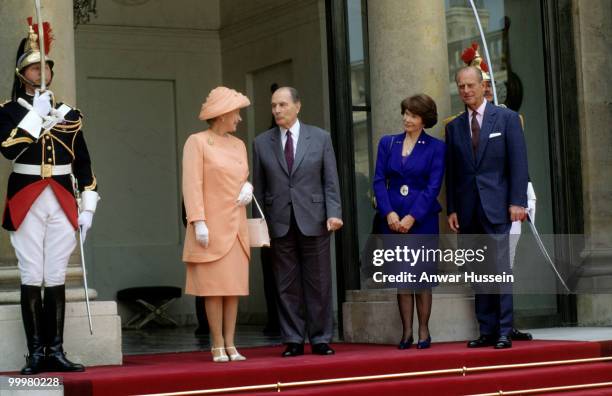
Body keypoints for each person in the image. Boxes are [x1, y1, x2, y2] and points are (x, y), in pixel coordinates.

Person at [0, 20, 99, 374]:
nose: (42, 71)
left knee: (55, 275)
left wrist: (88, 205)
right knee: (31, 275)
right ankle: (35, 354)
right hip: (27, 196)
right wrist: (34, 117)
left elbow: (83, 163)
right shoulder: (8, 111)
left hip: (61, 197)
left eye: (46, 67)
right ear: (21, 73)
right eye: (34, 66)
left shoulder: (69, 113)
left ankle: (55, 351)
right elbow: (8, 149)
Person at [252, 87, 343, 357]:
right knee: (285, 283)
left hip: (315, 219)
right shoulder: (261, 142)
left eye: (282, 105)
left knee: (319, 281)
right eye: (273, 106)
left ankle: (320, 338)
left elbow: (330, 180)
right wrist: (260, 225)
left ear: (297, 106)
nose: (277, 110)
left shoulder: (320, 137)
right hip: (278, 222)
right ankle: (292, 338)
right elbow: (258, 187)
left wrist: (334, 212)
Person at [446, 66, 528, 349]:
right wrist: (453, 209)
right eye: (461, 86)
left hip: (499, 207)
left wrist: (518, 201)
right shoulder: (453, 127)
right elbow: (453, 172)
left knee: (500, 270)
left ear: (483, 86)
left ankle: (505, 329)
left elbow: (519, 164)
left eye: (470, 85)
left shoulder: (506, 119)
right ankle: (487, 330)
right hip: (468, 211)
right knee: (478, 271)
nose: (466, 91)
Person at [182, 86, 252, 362]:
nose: (239, 119)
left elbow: (241, 176)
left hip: (236, 224)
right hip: (210, 226)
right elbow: (192, 184)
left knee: (232, 287)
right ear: (223, 114)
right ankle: (216, 343)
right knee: (213, 288)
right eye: (236, 112)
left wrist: (249, 186)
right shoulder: (197, 142)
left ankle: (232, 343)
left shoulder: (239, 145)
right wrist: (198, 221)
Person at [373, 94, 445, 350]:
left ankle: (424, 330)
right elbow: (379, 180)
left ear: (424, 119)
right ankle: (406, 332)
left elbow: (433, 186)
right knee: (402, 277)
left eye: (413, 115)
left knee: (422, 277)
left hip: (422, 220)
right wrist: (389, 213)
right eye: (405, 113)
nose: (407, 118)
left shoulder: (436, 147)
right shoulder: (388, 143)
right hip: (392, 220)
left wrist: (412, 217)